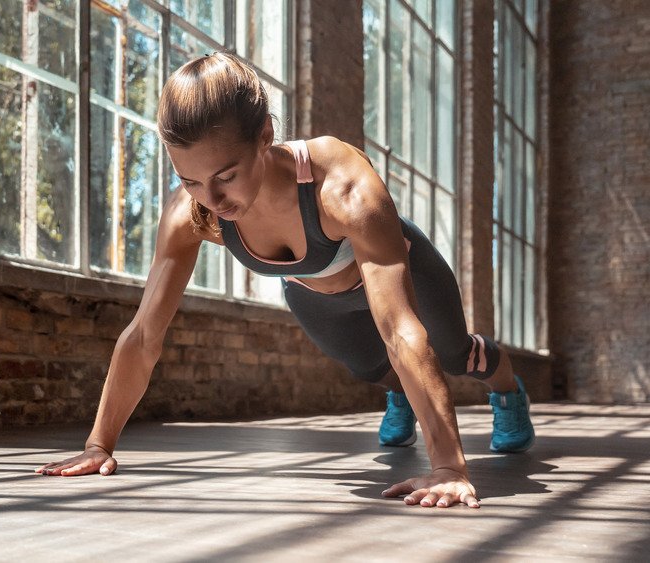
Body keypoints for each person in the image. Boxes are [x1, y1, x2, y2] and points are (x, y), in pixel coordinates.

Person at [35, 52, 535, 508]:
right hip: (316, 293)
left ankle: (507, 388)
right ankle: (400, 393)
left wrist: (447, 467)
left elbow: (400, 326)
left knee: (447, 354)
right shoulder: (191, 212)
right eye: (190, 180)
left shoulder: (340, 184)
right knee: (369, 367)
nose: (210, 197)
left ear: (265, 136)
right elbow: (144, 334)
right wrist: (98, 444)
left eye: (226, 175)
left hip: (400, 271)